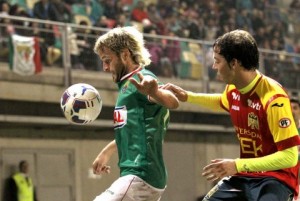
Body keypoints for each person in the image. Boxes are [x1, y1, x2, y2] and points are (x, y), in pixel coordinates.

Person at [164, 29, 300, 201]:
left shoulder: (274, 99)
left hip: (275, 179)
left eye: (217, 61)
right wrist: (188, 96)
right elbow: (223, 100)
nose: (214, 67)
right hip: (244, 176)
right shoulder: (234, 87)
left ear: (234, 63)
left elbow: (290, 156)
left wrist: (237, 164)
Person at [92, 26, 179, 201]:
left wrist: (155, 92)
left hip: (141, 174)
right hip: (140, 175)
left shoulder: (141, 79)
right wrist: (106, 152)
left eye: (107, 60)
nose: (105, 67)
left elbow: (172, 101)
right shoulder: (126, 87)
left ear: (125, 55)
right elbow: (132, 131)